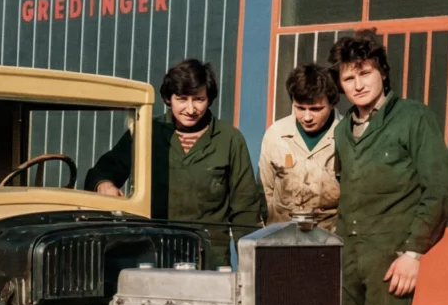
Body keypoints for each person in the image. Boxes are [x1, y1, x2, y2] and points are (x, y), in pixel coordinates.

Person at [328, 30, 448, 305]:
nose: (358, 85)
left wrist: (412, 254)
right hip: (348, 257)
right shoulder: (342, 131)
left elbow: (439, 189)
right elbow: (347, 191)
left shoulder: (414, 118)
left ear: (382, 72)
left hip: (389, 259)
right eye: (348, 79)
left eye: (365, 73)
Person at [85, 58, 261, 267]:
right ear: (168, 98)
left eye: (198, 99)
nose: (190, 109)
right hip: (152, 255)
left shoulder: (230, 139)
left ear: (210, 99)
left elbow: (246, 211)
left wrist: (251, 269)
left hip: (209, 260)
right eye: (182, 98)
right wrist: (105, 184)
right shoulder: (146, 132)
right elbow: (102, 171)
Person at [259, 63, 341, 231]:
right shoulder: (275, 135)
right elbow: (264, 192)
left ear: (332, 103)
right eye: (300, 108)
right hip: (281, 239)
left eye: (316, 109)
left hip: (330, 242)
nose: (307, 117)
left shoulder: (347, 136)